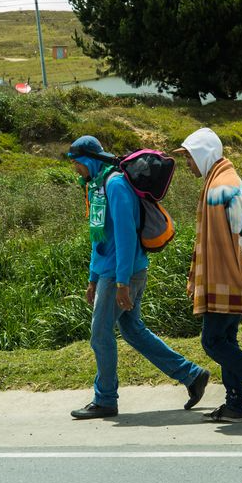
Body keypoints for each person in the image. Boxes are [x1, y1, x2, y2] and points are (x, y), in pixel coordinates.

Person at [65, 136, 210, 419]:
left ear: (89, 160)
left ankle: (105, 399)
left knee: (100, 334)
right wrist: (92, 278)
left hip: (123, 273)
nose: (76, 171)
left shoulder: (115, 185)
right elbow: (100, 238)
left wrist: (121, 283)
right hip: (112, 272)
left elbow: (126, 235)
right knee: (132, 330)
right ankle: (192, 375)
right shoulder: (97, 187)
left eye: (77, 164)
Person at [174, 128, 242, 423]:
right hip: (228, 275)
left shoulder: (222, 187)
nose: (188, 164)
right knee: (227, 340)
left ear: (203, 154)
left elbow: (241, 236)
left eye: (189, 157)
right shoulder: (223, 181)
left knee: (212, 342)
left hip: (227, 277)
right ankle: (235, 405)